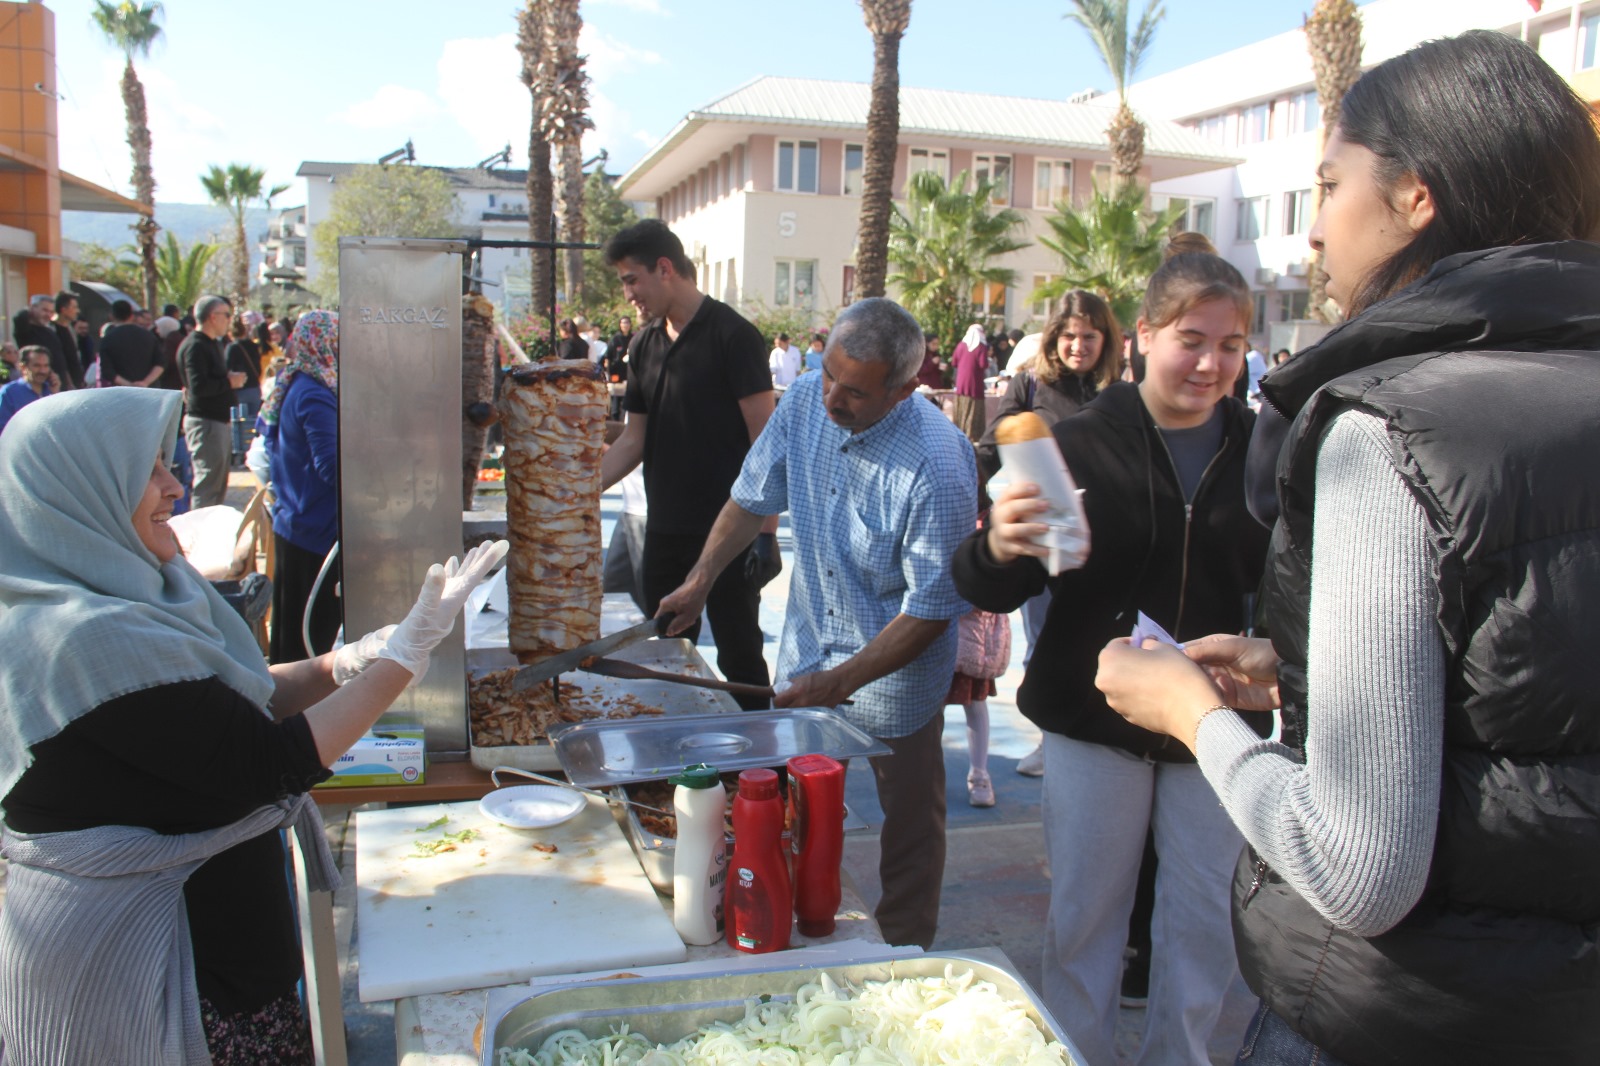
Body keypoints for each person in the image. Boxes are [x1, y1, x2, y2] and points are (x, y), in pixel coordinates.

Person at [1095, 31, 1600, 1066]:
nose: (1315, 230)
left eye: (1327, 184)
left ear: (1416, 197)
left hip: (1413, 1011)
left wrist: (1190, 718)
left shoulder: (1389, 429)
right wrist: (1300, 670)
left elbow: (1360, 867)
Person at [0, 385, 505, 1064]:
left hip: (225, 954)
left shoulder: (146, 589)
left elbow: (239, 701)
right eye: (147, 471)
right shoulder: (78, 639)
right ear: (78, 487)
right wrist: (406, 659)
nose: (174, 484)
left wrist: (345, 661)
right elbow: (266, 763)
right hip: (147, 964)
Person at [953, 234, 1268, 1066]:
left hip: (1215, 729)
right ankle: (1075, 1055)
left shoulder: (1267, 454)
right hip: (1094, 727)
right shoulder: (1077, 444)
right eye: (1191, 341)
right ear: (1144, 340)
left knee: (1202, 930)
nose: (1210, 364)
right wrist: (998, 543)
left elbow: (1286, 581)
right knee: (1086, 924)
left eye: (1230, 345)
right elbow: (991, 587)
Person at [658, 297, 975, 948]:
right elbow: (750, 497)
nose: (832, 397)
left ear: (904, 390)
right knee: (793, 812)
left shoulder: (936, 462)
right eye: (828, 373)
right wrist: (700, 578)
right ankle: (796, 929)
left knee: (911, 827)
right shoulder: (804, 399)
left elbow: (931, 611)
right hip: (808, 651)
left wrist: (842, 682)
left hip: (896, 683)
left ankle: (903, 953)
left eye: (855, 391)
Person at [599, 219, 776, 709]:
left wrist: (766, 533)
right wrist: (575, 493)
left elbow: (767, 443)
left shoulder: (735, 336)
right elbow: (635, 438)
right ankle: (676, 772)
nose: (629, 294)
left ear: (664, 268)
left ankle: (763, 777)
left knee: (741, 656)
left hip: (729, 533)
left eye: (632, 279)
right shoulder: (642, 345)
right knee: (668, 658)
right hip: (665, 531)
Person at [974, 291, 1124, 779]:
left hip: (1106, 535)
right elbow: (990, 446)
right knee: (1043, 640)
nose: (1077, 346)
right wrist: (978, 504)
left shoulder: (1119, 393)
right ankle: (1048, 738)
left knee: (1105, 637)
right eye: (1069, 335)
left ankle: (1104, 731)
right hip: (1044, 535)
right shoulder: (1029, 385)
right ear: (1053, 337)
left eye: (1089, 336)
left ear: (1107, 340)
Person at [260, 311, 341, 663]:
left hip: (298, 522)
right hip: (314, 530)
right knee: (306, 647)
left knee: (292, 640)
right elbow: (331, 466)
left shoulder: (301, 383)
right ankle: (298, 715)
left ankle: (288, 712)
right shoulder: (315, 394)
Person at [178, 295, 244, 508]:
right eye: (226, 315)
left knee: (216, 485)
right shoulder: (196, 345)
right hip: (206, 422)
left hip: (214, 422)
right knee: (207, 487)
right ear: (212, 317)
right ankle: (199, 536)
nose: (229, 320)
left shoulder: (209, 344)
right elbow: (199, 387)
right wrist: (229, 382)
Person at [11, 294, 78, 392]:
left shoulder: (50, 332)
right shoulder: (25, 330)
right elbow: (19, 317)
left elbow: (61, 360)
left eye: (51, 312)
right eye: (44, 310)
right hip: (37, 385)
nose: (48, 315)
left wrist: (69, 382)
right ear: (32, 308)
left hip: (58, 385)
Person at [100, 298, 165, 389]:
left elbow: (107, 372)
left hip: (122, 393)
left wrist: (130, 385)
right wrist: (145, 382)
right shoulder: (149, 336)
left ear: (112, 316)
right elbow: (160, 364)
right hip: (150, 392)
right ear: (131, 316)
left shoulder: (108, 339)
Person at [0, 347, 56, 435]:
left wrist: (56, 394)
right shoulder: (9, 392)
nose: (42, 371)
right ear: (23, 367)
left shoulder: (51, 390)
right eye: (37, 366)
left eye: (46, 366)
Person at [948, 323, 988, 442]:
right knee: (974, 408)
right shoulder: (981, 347)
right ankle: (972, 434)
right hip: (975, 384)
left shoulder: (961, 345)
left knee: (961, 407)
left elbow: (954, 362)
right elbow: (983, 364)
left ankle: (960, 429)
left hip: (961, 384)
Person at [225, 313, 263, 424]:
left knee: (239, 427)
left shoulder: (232, 348)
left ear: (230, 332)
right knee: (253, 424)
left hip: (239, 391)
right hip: (255, 388)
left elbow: (227, 369)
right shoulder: (254, 346)